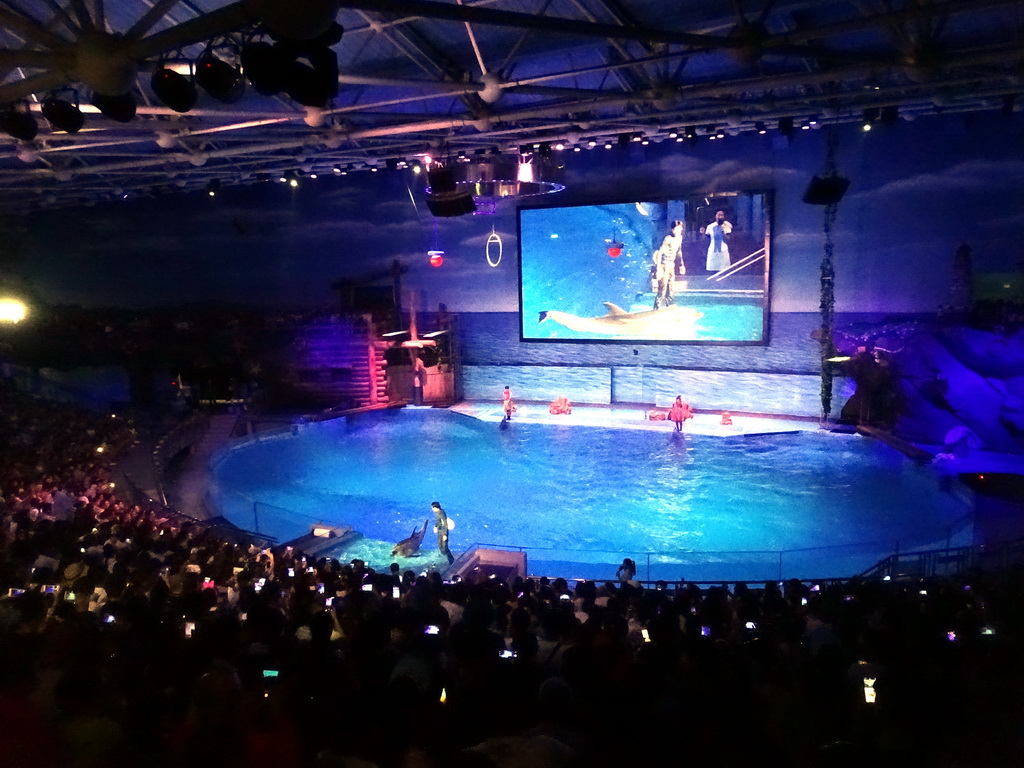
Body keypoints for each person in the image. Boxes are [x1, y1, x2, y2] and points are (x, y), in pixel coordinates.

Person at [652, 220, 684, 309]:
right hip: (663, 266)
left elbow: (679, 251)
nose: (679, 231)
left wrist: (681, 264)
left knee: (670, 289)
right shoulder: (668, 238)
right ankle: (656, 310)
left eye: (680, 229)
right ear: (673, 229)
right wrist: (658, 268)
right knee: (662, 290)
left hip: (671, 266)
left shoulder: (680, 238)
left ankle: (670, 309)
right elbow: (659, 253)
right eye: (677, 229)